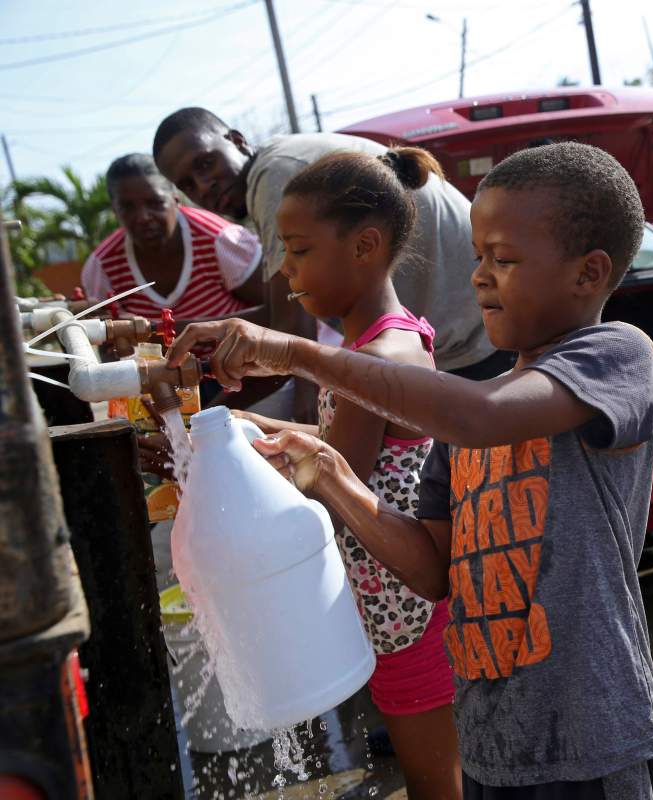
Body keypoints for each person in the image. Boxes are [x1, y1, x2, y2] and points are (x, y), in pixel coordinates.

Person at [168, 142, 653, 799]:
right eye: (479, 256)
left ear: (589, 273)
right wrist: (327, 472)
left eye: (505, 259)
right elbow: (433, 570)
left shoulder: (614, 356)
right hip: (494, 748)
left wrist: (295, 353)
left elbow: (482, 416)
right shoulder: (461, 424)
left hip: (594, 746)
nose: (480, 277)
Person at [233, 146, 461, 800]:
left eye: (299, 250)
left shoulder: (378, 363)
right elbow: (333, 445)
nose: (284, 268)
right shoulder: (379, 344)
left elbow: (332, 480)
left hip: (404, 605)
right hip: (397, 592)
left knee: (433, 782)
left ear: (364, 246)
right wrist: (250, 433)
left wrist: (234, 466)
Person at [151, 109, 501, 402]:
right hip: (470, 331)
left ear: (237, 140)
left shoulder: (275, 176)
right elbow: (282, 318)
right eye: (188, 185)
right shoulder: (277, 165)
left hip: (475, 342)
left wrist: (207, 421)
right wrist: (163, 331)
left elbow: (291, 328)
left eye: (205, 164)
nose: (203, 186)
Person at [82, 153, 263, 323]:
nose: (143, 217)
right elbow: (108, 343)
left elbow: (272, 312)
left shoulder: (220, 240)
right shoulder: (102, 267)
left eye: (155, 203)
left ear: (176, 200)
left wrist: (166, 332)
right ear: (115, 212)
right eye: (127, 207)